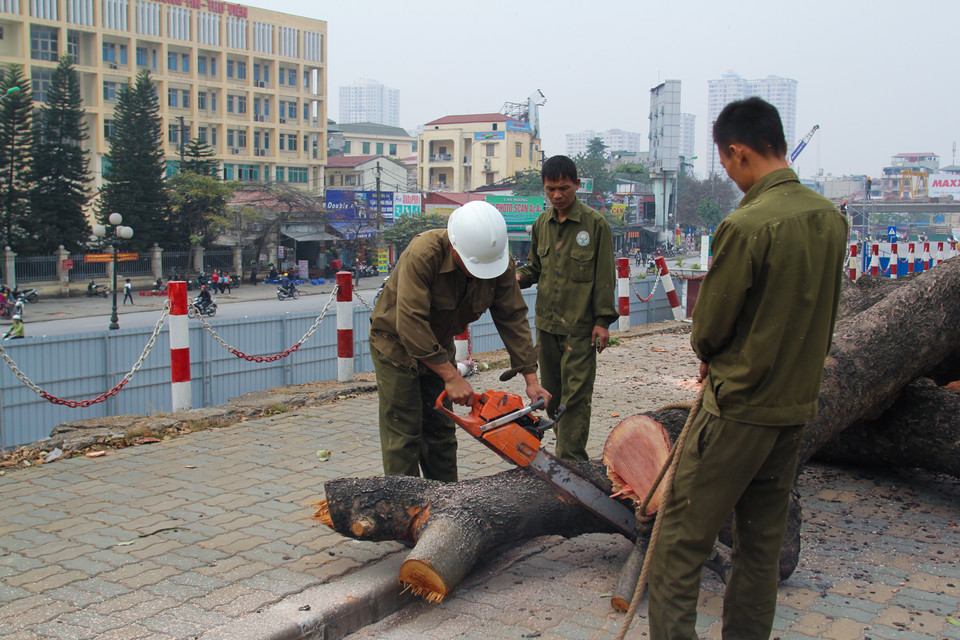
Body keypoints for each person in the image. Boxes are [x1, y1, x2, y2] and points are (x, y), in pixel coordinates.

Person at [647, 97, 848, 640]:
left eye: (726, 163)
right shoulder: (831, 219)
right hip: (793, 410)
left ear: (737, 153)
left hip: (738, 410)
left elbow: (708, 330)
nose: (730, 176)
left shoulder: (748, 224)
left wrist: (715, 354)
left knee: (679, 543)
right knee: (759, 548)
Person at [369, 201, 551, 482]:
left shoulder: (497, 260)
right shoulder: (424, 253)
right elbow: (411, 322)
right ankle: (403, 511)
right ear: (454, 247)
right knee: (404, 431)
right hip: (395, 344)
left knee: (440, 431)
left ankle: (445, 504)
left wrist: (531, 379)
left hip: (438, 344)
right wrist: (451, 377)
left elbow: (512, 317)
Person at [516, 155, 618, 461]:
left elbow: (604, 277)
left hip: (580, 329)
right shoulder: (541, 225)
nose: (557, 195)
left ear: (576, 184)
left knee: (575, 398)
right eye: (550, 190)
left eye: (563, 188)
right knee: (552, 395)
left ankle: (571, 460)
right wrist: (515, 277)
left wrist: (603, 321)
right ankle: (565, 453)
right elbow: (534, 268)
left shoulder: (595, 225)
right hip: (546, 326)